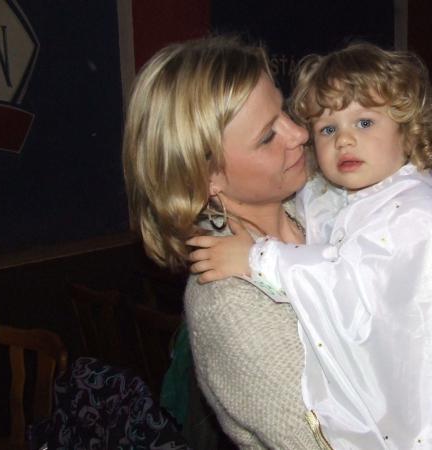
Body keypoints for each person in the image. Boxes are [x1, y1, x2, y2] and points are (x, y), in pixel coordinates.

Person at [189, 43, 432, 449]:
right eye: (327, 129)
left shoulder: (411, 214)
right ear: (208, 175)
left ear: (409, 129)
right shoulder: (230, 303)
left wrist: (257, 258)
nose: (342, 140)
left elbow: (346, 286)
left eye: (365, 122)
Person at [122, 36, 322, 449]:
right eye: (267, 137)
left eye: (283, 110)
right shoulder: (230, 306)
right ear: (206, 176)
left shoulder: (315, 205)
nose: (300, 133)